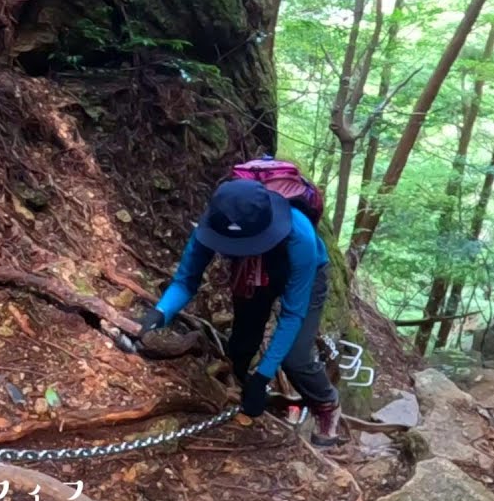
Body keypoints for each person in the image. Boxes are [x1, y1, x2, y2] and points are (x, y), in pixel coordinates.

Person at [137, 178, 343, 446]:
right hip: (251, 272)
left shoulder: (299, 234)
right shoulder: (214, 222)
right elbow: (186, 281)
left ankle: (327, 405)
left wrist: (264, 376)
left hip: (304, 274)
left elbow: (293, 314)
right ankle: (240, 389)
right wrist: (159, 314)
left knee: (296, 357)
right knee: (241, 345)